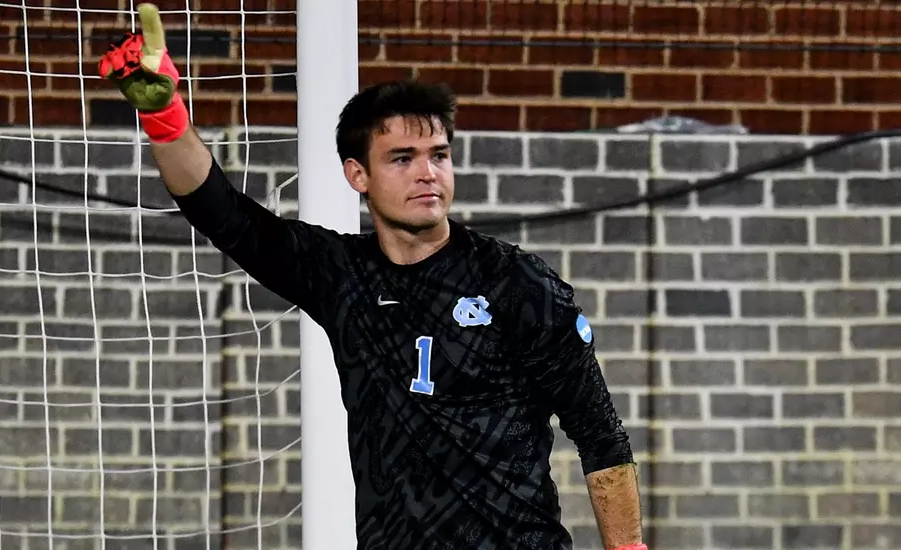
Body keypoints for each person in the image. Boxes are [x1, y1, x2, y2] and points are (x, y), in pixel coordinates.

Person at [98, 4, 646, 549]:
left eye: (439, 155)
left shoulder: (518, 282)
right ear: (357, 174)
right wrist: (166, 117)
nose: (427, 173)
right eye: (402, 158)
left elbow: (601, 434)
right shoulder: (342, 275)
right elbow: (222, 213)